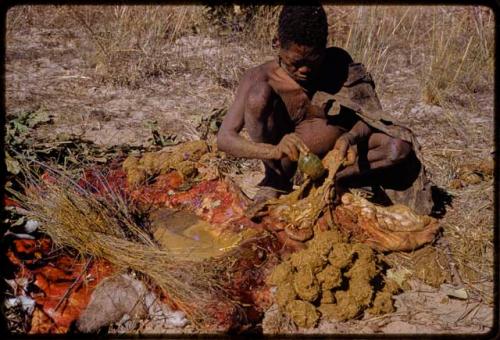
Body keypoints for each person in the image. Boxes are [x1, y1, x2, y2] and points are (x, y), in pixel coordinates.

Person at [217, 5, 433, 215]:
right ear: (277, 43)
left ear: (324, 47)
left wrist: (348, 138)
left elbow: (371, 117)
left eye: (314, 60)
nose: (304, 70)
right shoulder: (259, 78)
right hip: (288, 164)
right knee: (257, 97)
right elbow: (225, 138)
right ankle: (276, 179)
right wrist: (273, 151)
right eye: (296, 62)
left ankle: (333, 180)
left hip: (342, 161)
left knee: (398, 148)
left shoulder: (338, 62)